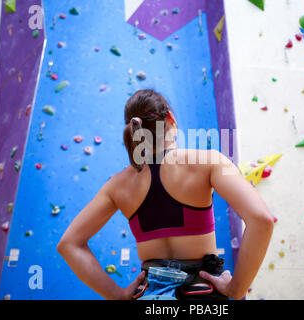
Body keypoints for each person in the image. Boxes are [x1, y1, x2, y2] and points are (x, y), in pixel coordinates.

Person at [57, 89, 274, 300]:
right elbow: (261, 220)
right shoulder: (209, 162)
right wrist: (236, 288)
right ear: (170, 117)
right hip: (201, 293)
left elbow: (69, 244)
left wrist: (116, 295)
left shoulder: (116, 186)